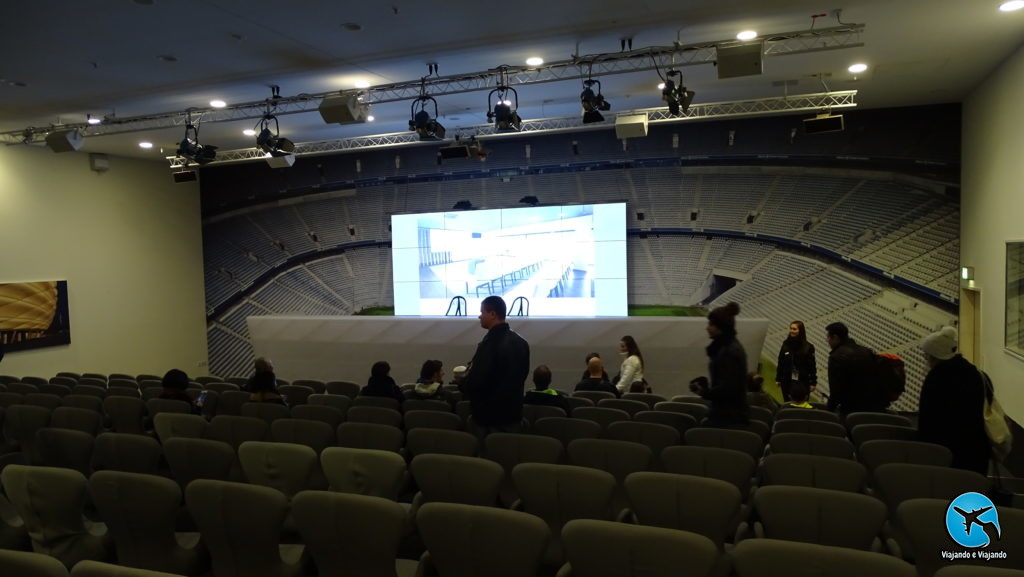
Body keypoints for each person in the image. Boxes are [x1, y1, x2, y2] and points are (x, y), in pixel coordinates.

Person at [917, 326, 990, 475]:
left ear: (935, 356)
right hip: (975, 450)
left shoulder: (936, 377)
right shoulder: (977, 374)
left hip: (944, 450)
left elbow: (927, 418)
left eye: (927, 356)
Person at [463, 296, 530, 437]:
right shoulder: (521, 342)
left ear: (493, 314)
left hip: (488, 418)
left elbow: (478, 379)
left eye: (482, 312)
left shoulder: (489, 344)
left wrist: (464, 384)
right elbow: (522, 375)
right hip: (512, 414)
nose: (479, 316)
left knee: (487, 456)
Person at [691, 302, 749, 426]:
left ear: (721, 327)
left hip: (728, 418)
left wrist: (703, 391)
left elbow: (727, 389)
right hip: (727, 414)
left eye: (711, 324)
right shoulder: (726, 347)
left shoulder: (729, 351)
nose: (707, 328)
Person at [824, 322, 886, 414]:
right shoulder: (867, 351)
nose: (827, 341)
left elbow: (835, 390)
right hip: (876, 407)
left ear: (836, 337)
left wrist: (828, 412)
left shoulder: (836, 357)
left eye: (828, 337)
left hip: (852, 409)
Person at [776, 321, 817, 401]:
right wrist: (778, 378)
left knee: (801, 405)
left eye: (794, 329)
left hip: (802, 381)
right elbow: (780, 362)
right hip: (786, 381)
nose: (791, 331)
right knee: (787, 403)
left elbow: (812, 366)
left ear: (800, 331)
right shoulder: (785, 344)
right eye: (791, 328)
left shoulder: (808, 347)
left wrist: (813, 382)